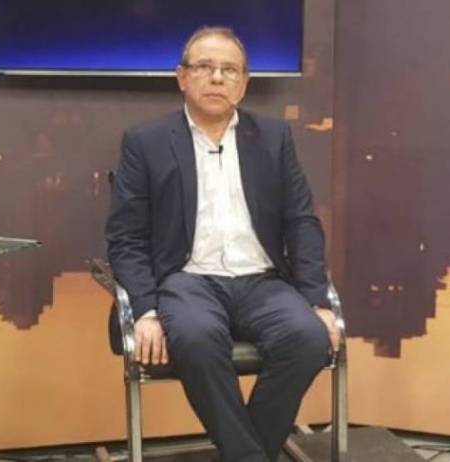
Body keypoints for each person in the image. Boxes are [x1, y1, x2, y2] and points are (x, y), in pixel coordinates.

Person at [106, 26, 339, 462]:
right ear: (182, 77)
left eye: (229, 70)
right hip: (187, 281)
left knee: (309, 337)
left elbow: (301, 222)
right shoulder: (146, 142)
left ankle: (241, 452)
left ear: (243, 83)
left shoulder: (273, 138)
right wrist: (146, 310)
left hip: (262, 281)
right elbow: (126, 237)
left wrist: (316, 300)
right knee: (196, 338)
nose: (217, 78)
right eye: (204, 67)